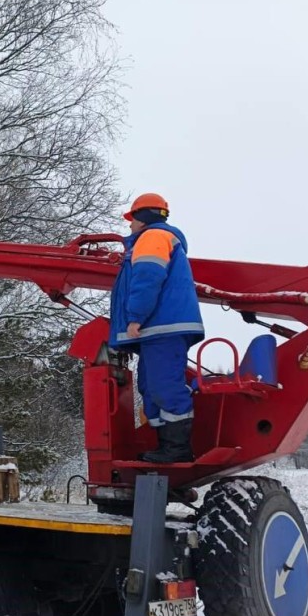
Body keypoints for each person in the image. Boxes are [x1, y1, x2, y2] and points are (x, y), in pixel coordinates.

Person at [109, 192, 204, 464]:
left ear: (143, 217)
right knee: (150, 387)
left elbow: (148, 278)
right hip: (159, 330)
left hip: (164, 327)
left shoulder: (153, 238)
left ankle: (177, 449)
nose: (129, 226)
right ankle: (165, 447)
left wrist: (135, 317)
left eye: (132, 219)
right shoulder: (159, 239)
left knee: (163, 386)